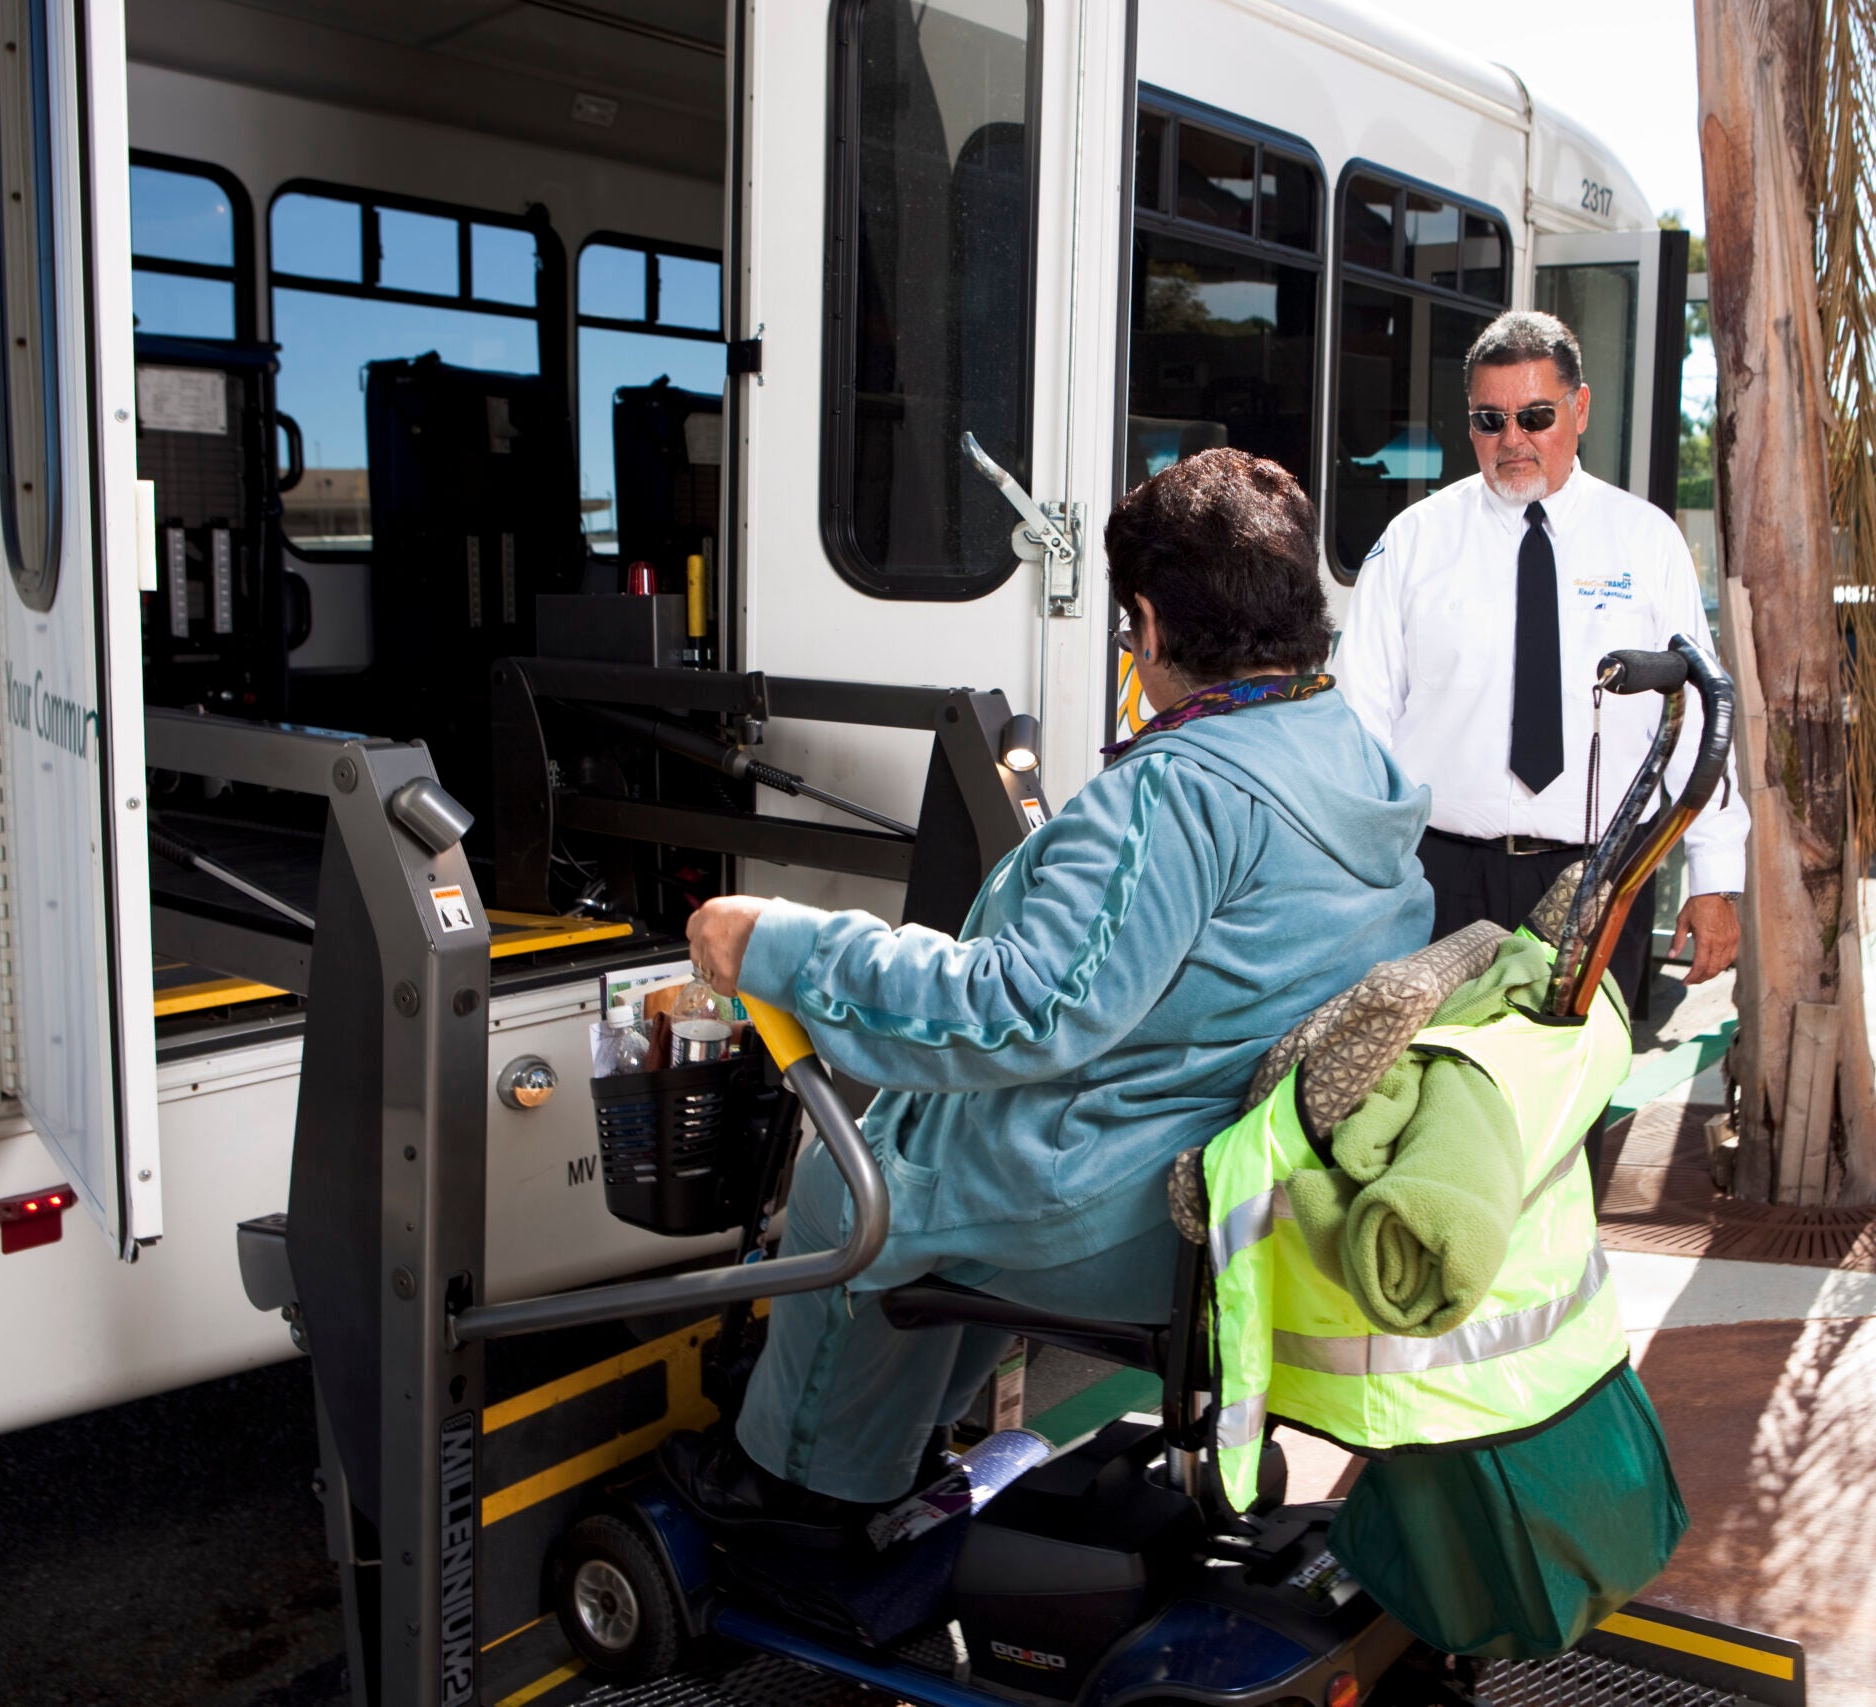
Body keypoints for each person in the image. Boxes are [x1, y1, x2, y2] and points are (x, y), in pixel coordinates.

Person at [665, 448, 1435, 1532]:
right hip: (1226, 1187)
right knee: (949, 1172)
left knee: (857, 1189)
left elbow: (1022, 1013)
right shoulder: (1349, 749)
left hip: (1123, 1204)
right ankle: (886, 1443)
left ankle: (796, 1493)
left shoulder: (1178, 791)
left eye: (1130, 626)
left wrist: (782, 944)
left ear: (1155, 627)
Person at [1333, 309, 1746, 994]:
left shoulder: (1646, 542)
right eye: (1489, 420)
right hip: (1439, 879)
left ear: (1579, 408)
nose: (1512, 439)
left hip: (1600, 876)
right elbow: (1359, 724)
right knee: (1434, 1090)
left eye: (1535, 416)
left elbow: (1699, 717)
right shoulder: (1413, 543)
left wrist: (1716, 877)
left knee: (1575, 1094)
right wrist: (1357, 876)